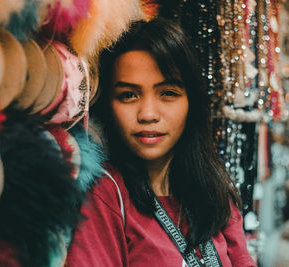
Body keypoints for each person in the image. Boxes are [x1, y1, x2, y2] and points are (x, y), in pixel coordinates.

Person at [66, 18, 256, 267]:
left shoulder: (212, 192)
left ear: (191, 103)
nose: (147, 114)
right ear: (108, 106)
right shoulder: (106, 195)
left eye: (167, 93)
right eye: (128, 95)